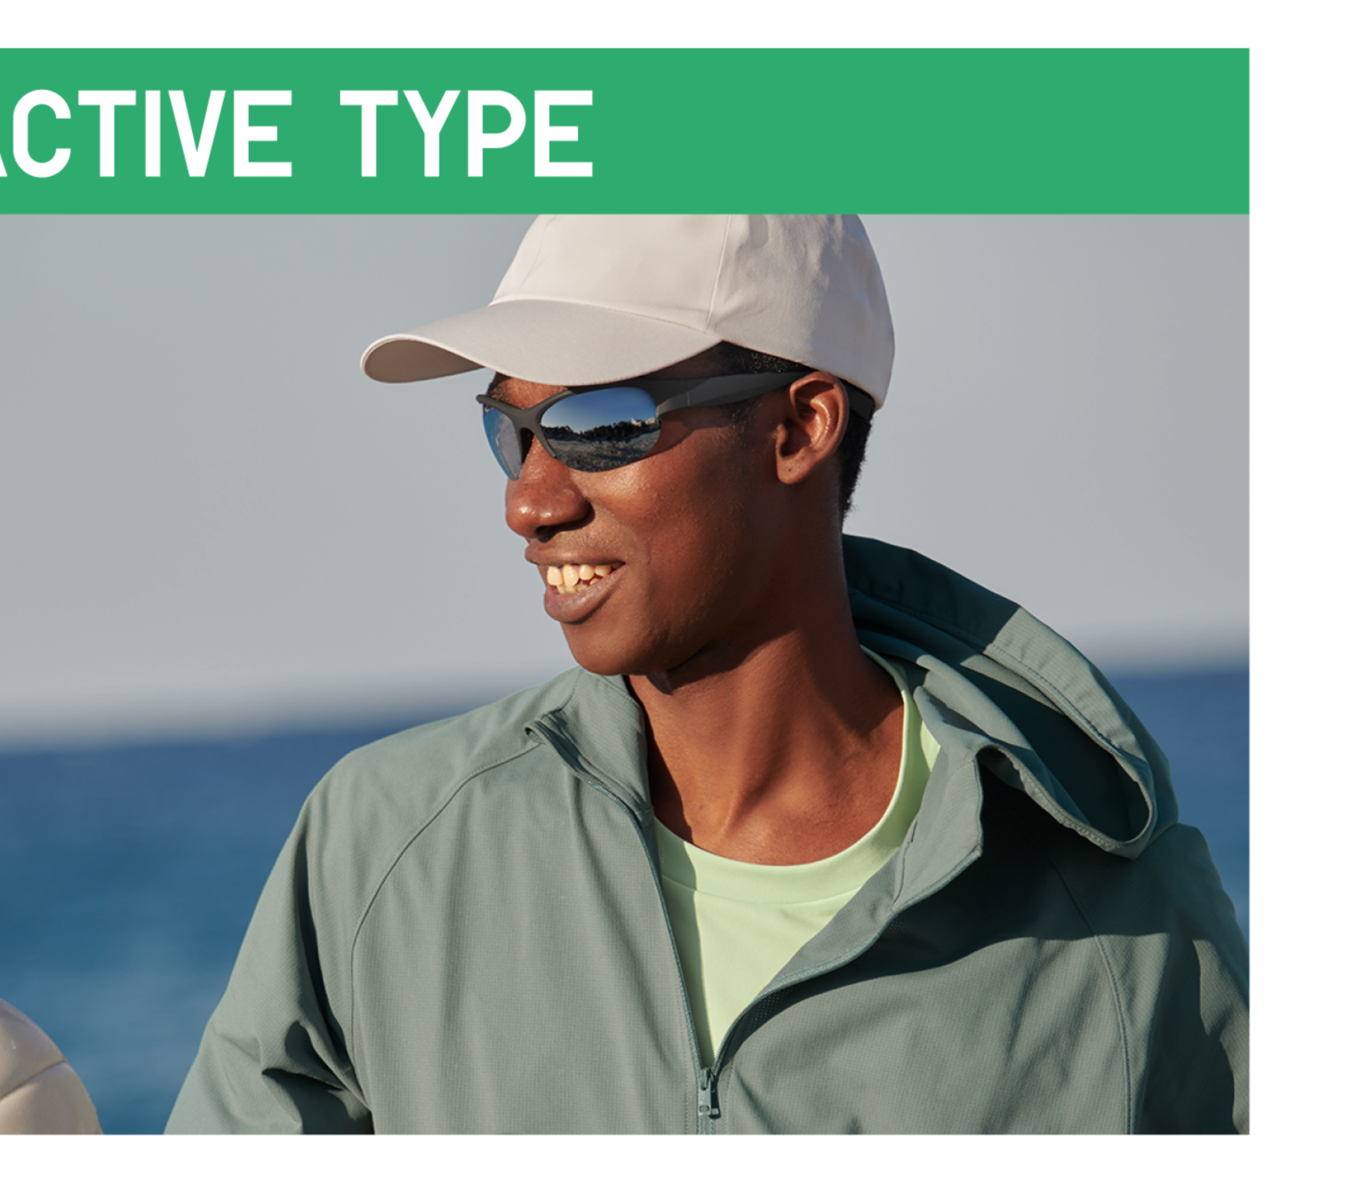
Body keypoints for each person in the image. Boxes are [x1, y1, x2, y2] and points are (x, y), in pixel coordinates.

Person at [166, 215, 1252, 1135]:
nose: (530, 503)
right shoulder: (385, 846)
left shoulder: (1126, 922)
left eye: (599, 423)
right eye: (511, 432)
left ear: (798, 427)